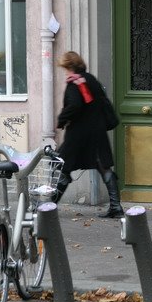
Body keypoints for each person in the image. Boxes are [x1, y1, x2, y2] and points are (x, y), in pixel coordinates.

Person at [54, 51, 124, 219]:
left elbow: (75, 105)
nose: (66, 72)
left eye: (65, 68)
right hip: (96, 131)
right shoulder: (91, 79)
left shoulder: (75, 83)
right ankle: (115, 206)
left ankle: (48, 207)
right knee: (103, 167)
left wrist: (61, 120)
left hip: (78, 134)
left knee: (62, 166)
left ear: (70, 67)